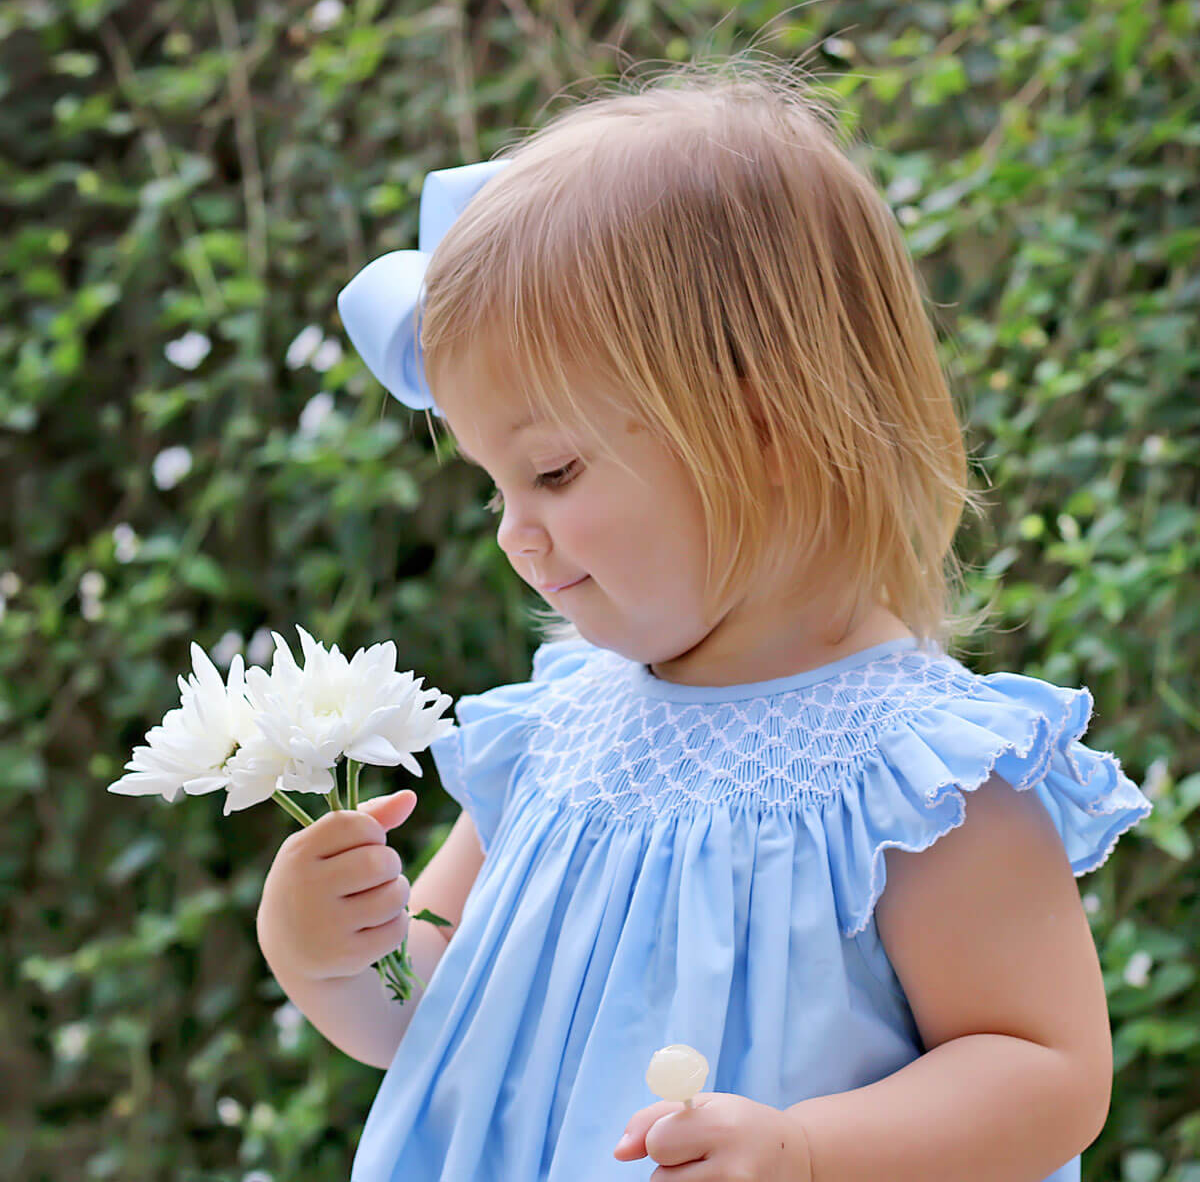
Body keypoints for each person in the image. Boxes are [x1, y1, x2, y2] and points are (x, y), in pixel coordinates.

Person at [255, 62, 1152, 1182]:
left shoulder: (916, 777)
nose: (512, 533)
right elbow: (428, 1020)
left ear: (766, 429)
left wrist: (809, 1151)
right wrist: (331, 956)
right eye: (496, 487)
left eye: (554, 471)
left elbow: (1046, 1074)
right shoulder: (558, 732)